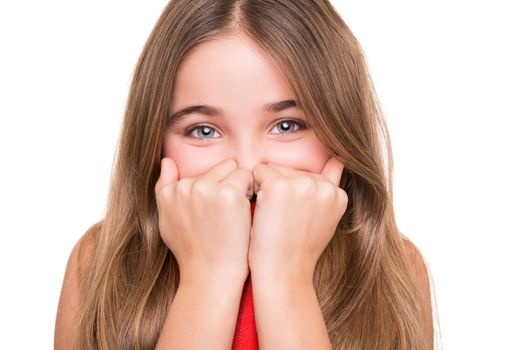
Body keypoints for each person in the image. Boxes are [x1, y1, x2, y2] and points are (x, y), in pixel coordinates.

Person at [54, 0, 441, 349]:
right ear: (155, 143)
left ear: (339, 130)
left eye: (287, 125)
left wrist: (285, 277)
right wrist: (208, 278)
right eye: (204, 131)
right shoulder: (101, 261)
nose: (247, 168)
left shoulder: (394, 269)